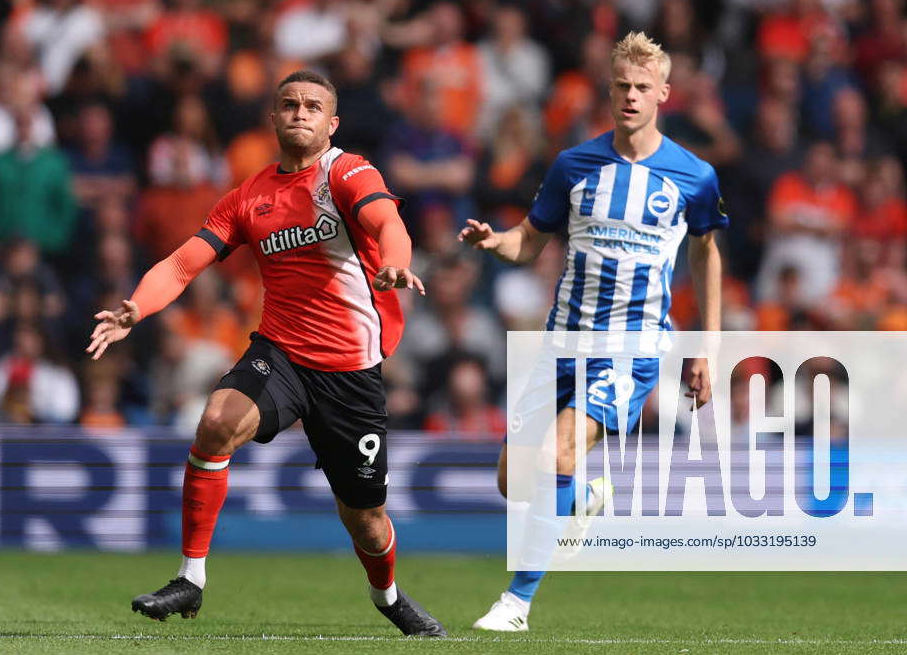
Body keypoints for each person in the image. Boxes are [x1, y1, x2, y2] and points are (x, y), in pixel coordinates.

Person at [86, 70, 446, 637]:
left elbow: (386, 220)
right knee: (214, 424)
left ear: (332, 123)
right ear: (272, 118)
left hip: (350, 371)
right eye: (288, 104)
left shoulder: (347, 173)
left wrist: (397, 260)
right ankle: (191, 579)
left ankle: (389, 597)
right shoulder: (248, 198)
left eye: (312, 106)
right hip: (281, 353)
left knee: (367, 520)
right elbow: (184, 263)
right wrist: (137, 306)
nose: (299, 113)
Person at [460, 32, 726, 632]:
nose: (631, 97)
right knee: (512, 481)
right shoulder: (573, 164)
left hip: (630, 350)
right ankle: (583, 499)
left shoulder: (694, 176)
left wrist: (708, 346)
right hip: (561, 342)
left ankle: (517, 604)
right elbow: (530, 240)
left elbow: (707, 253)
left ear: (664, 93)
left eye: (642, 88)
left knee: (558, 452)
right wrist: (494, 241)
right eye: (622, 86)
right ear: (609, 91)